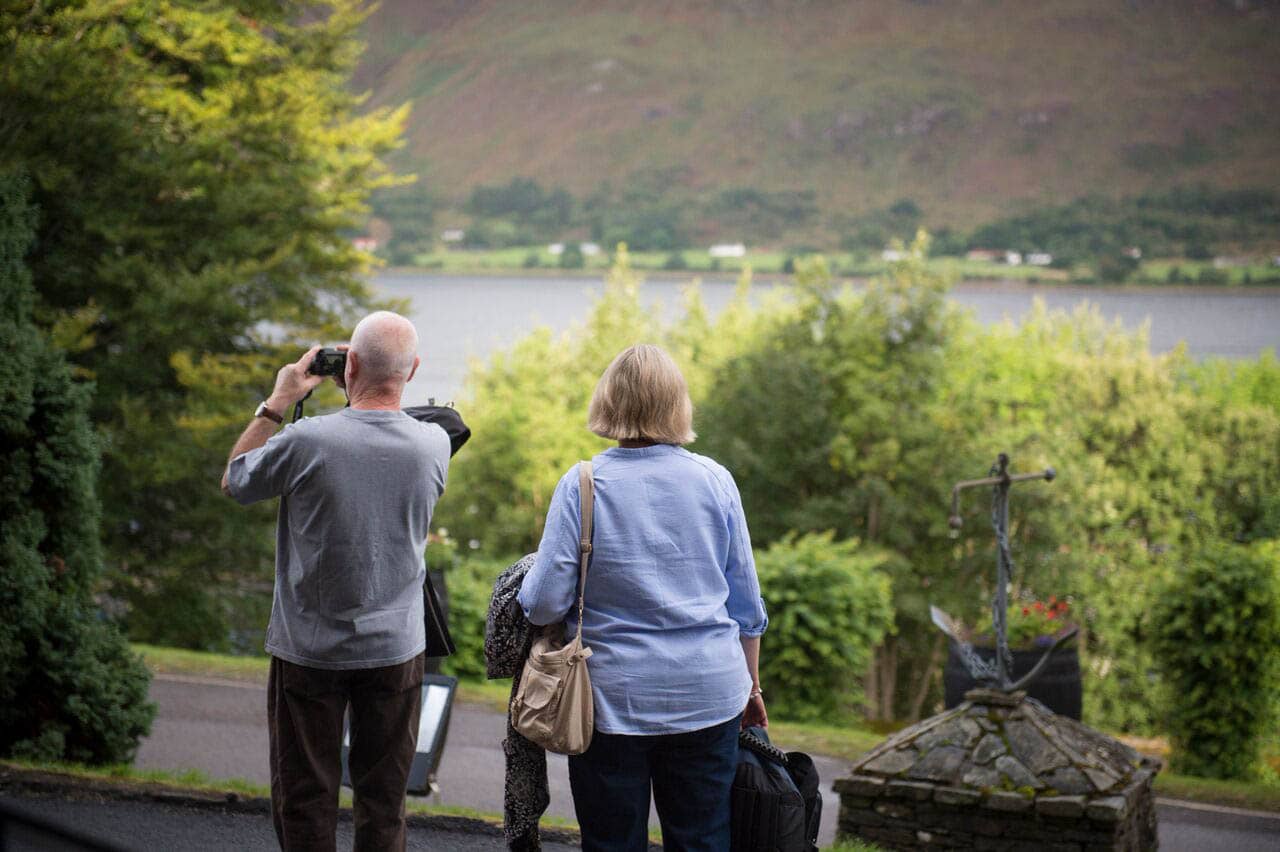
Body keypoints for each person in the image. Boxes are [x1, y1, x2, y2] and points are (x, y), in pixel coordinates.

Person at [518, 343, 769, 852]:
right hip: (708, 693)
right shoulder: (715, 480)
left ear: (607, 401)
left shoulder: (582, 484)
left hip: (609, 701)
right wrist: (753, 689)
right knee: (702, 840)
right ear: (678, 405)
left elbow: (543, 603)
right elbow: (747, 609)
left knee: (612, 843)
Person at [220, 311, 452, 851]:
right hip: (395, 649)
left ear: (347, 366)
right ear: (413, 370)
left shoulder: (307, 440)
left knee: (306, 798)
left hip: (309, 650)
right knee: (383, 799)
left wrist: (277, 402)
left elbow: (236, 479)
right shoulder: (433, 445)